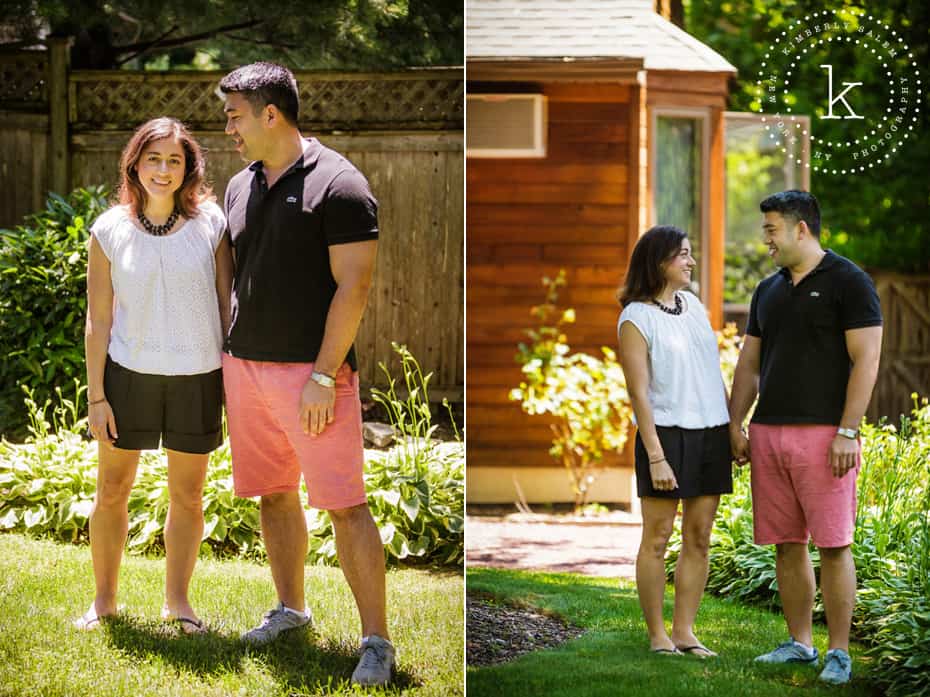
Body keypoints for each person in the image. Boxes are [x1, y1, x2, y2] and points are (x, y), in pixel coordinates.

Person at [218, 62, 391, 686]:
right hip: (247, 369)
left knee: (345, 505)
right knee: (272, 493)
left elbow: (356, 285)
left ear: (271, 114)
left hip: (311, 378)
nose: (228, 127)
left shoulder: (339, 184)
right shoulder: (242, 185)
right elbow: (238, 273)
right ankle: (291, 609)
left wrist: (323, 375)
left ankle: (377, 640)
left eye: (235, 114)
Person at [77, 117, 233, 633]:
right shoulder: (108, 230)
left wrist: (234, 385)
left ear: (188, 168)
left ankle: (178, 603)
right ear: (134, 163)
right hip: (127, 376)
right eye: (153, 159)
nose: (163, 170)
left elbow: (225, 305)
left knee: (188, 496)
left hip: (197, 377)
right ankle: (104, 602)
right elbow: (97, 320)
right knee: (112, 490)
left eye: (174, 160)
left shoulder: (211, 224)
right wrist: (97, 396)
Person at [729, 190, 882, 685]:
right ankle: (799, 644)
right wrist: (736, 423)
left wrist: (847, 431)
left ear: (801, 229)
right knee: (786, 545)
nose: (766, 239)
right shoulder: (767, 290)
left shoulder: (850, 282)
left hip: (825, 438)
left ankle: (839, 652)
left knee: (834, 545)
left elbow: (867, 361)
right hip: (769, 433)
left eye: (772, 229)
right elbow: (749, 364)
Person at [617, 225, 732, 658]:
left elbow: (711, 369)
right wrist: (657, 456)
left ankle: (685, 631)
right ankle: (657, 635)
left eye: (690, 254)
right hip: (664, 435)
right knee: (658, 536)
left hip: (709, 433)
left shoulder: (695, 307)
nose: (691, 261)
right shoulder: (635, 317)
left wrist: (731, 429)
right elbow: (638, 393)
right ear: (659, 261)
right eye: (683, 254)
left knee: (699, 535)